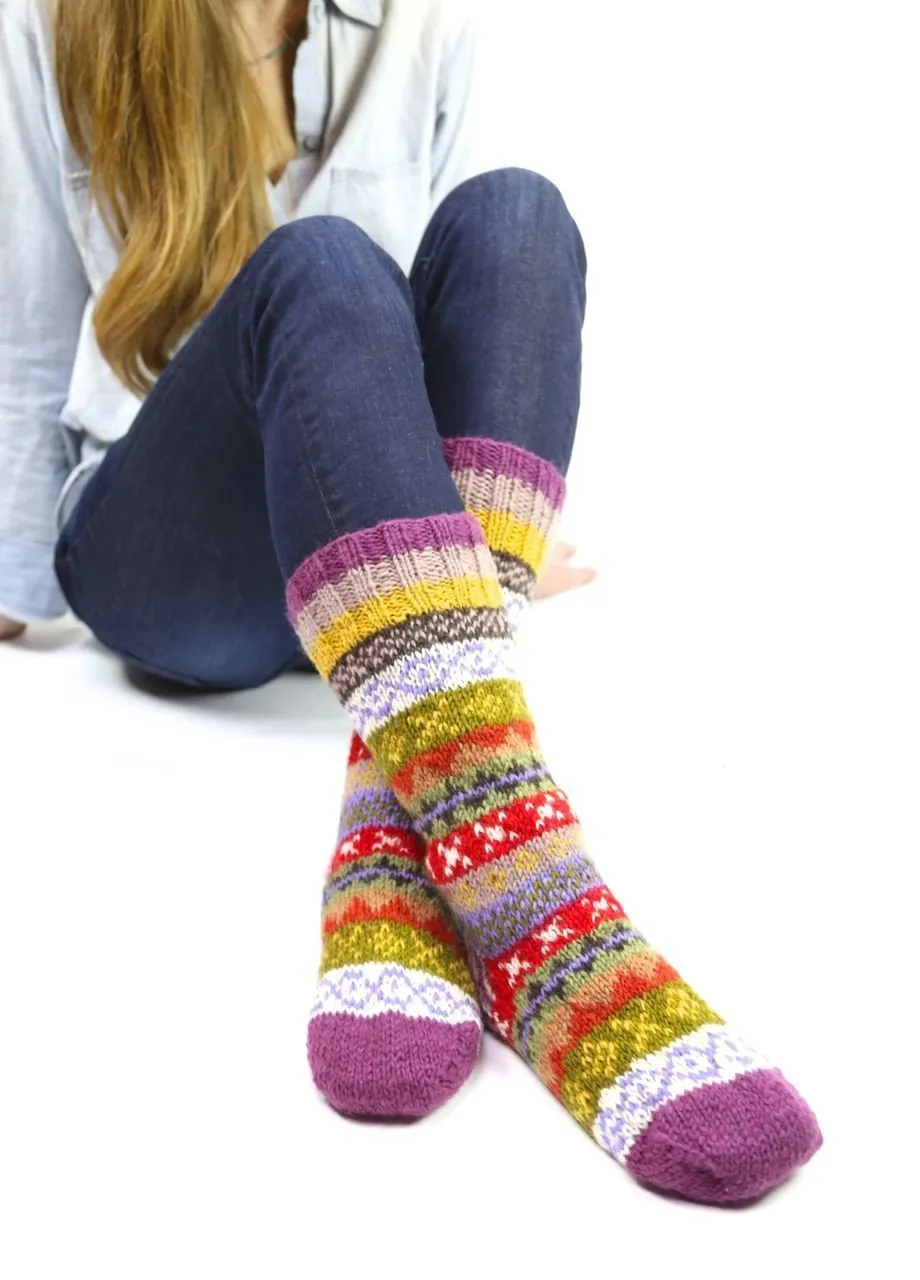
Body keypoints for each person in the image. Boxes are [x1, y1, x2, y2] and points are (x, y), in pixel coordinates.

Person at [0, 0, 820, 1204]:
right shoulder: (49, 19)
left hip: (358, 565)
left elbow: (463, 312)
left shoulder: (427, 21)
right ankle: (539, 903)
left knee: (518, 217)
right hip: (167, 556)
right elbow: (24, 332)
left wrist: (478, 543)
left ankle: (396, 855)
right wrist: (14, 588)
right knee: (322, 264)